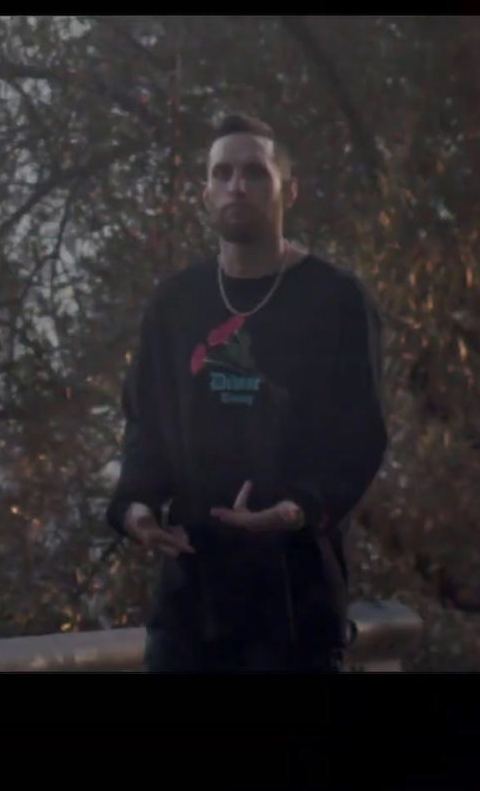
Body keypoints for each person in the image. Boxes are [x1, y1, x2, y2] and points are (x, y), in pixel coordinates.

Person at [105, 114, 388, 672]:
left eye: (255, 173)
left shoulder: (336, 301)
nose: (237, 185)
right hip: (190, 601)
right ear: (206, 193)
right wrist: (135, 506)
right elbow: (146, 426)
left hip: (294, 605)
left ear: (289, 189)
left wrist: (293, 510)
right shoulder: (175, 303)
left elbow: (361, 437)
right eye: (223, 173)